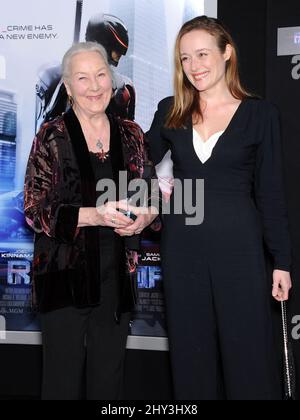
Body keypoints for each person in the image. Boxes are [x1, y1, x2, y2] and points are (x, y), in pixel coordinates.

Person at [147, 16, 292, 400]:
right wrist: (155, 195)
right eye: (185, 58)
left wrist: (282, 260)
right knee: (191, 361)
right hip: (182, 251)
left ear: (227, 53)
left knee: (249, 360)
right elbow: (141, 167)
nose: (194, 66)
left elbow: (272, 193)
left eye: (202, 54)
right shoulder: (169, 111)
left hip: (240, 252)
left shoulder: (261, 115)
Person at [24, 41, 158, 400]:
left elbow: (150, 193)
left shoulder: (131, 133)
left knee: (108, 384)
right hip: (63, 277)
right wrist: (93, 215)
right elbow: (35, 210)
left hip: (115, 280)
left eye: (101, 75)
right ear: (68, 86)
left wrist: (145, 217)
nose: (95, 86)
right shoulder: (51, 135)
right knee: (61, 384)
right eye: (83, 78)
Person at [35, 14, 135, 131]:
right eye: (116, 50)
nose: (119, 56)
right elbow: (44, 124)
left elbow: (129, 130)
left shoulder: (125, 87)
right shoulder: (54, 75)